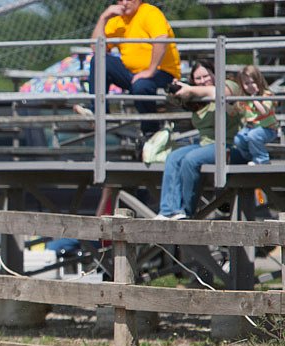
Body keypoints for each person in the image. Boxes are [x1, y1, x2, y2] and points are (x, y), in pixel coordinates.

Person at [75, 0, 181, 136]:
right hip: (133, 74)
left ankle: (150, 132)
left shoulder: (149, 12)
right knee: (99, 60)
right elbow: (97, 48)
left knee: (141, 85)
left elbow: (161, 38)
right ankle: (98, 114)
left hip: (162, 73)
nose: (124, 3)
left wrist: (150, 71)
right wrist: (103, 18)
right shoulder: (118, 20)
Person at [155, 59, 245, 220]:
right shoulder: (195, 97)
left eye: (206, 76)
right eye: (198, 78)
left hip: (230, 145)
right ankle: (168, 210)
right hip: (205, 144)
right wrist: (176, 91)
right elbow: (171, 103)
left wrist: (193, 90)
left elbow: (220, 93)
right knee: (173, 157)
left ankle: (185, 212)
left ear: (214, 73)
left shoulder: (230, 85)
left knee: (190, 160)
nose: (203, 81)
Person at [234, 65, 279, 165]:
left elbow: (264, 111)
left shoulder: (266, 95)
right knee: (238, 139)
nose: (250, 85)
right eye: (246, 83)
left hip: (268, 129)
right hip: (251, 128)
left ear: (259, 81)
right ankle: (251, 157)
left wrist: (254, 99)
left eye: (253, 82)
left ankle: (262, 159)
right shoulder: (244, 98)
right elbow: (238, 110)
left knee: (253, 135)